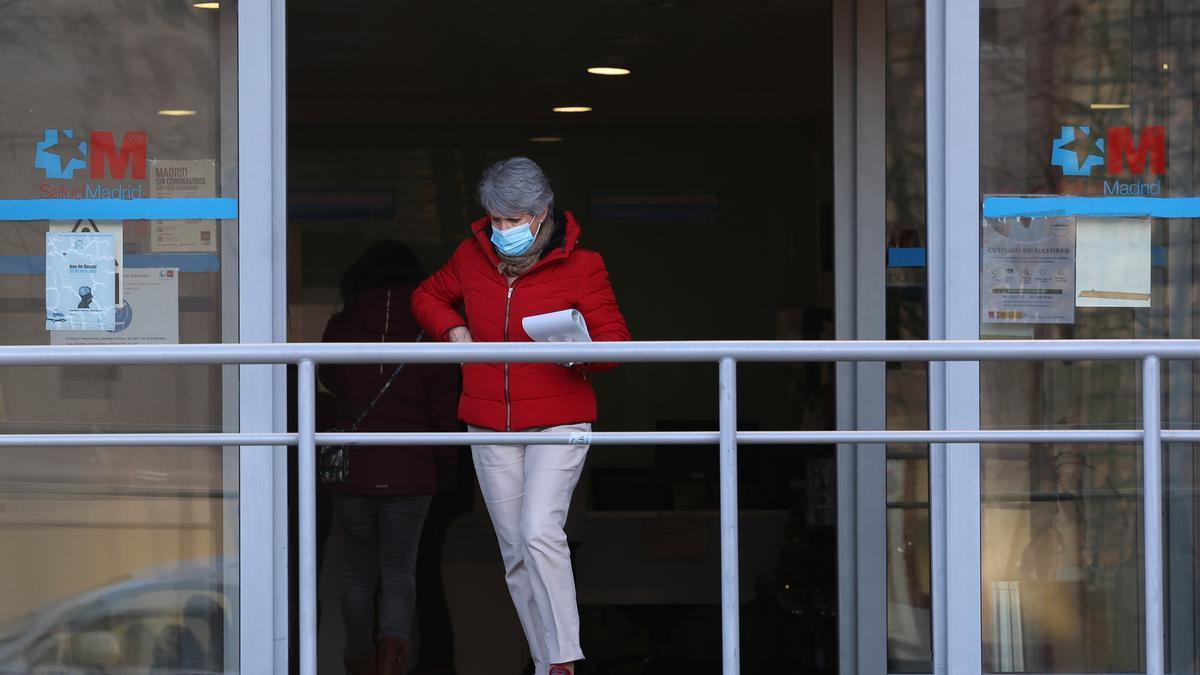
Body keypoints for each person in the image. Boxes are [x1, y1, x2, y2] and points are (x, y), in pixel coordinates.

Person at [411, 157, 630, 675]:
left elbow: (616, 343)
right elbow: (427, 295)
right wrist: (453, 330)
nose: (504, 231)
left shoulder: (584, 265)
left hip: (559, 421)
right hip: (489, 424)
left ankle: (565, 660)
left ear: (543, 212)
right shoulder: (471, 255)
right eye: (496, 220)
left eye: (515, 220)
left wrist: (580, 352)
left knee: (538, 531)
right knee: (513, 552)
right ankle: (543, 662)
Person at [320, 241, 463, 675]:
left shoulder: (341, 328)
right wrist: (448, 465)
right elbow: (444, 406)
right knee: (400, 570)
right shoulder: (430, 328)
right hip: (411, 466)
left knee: (356, 574)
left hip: (356, 468)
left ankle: (359, 657)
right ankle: (392, 660)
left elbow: (331, 380)